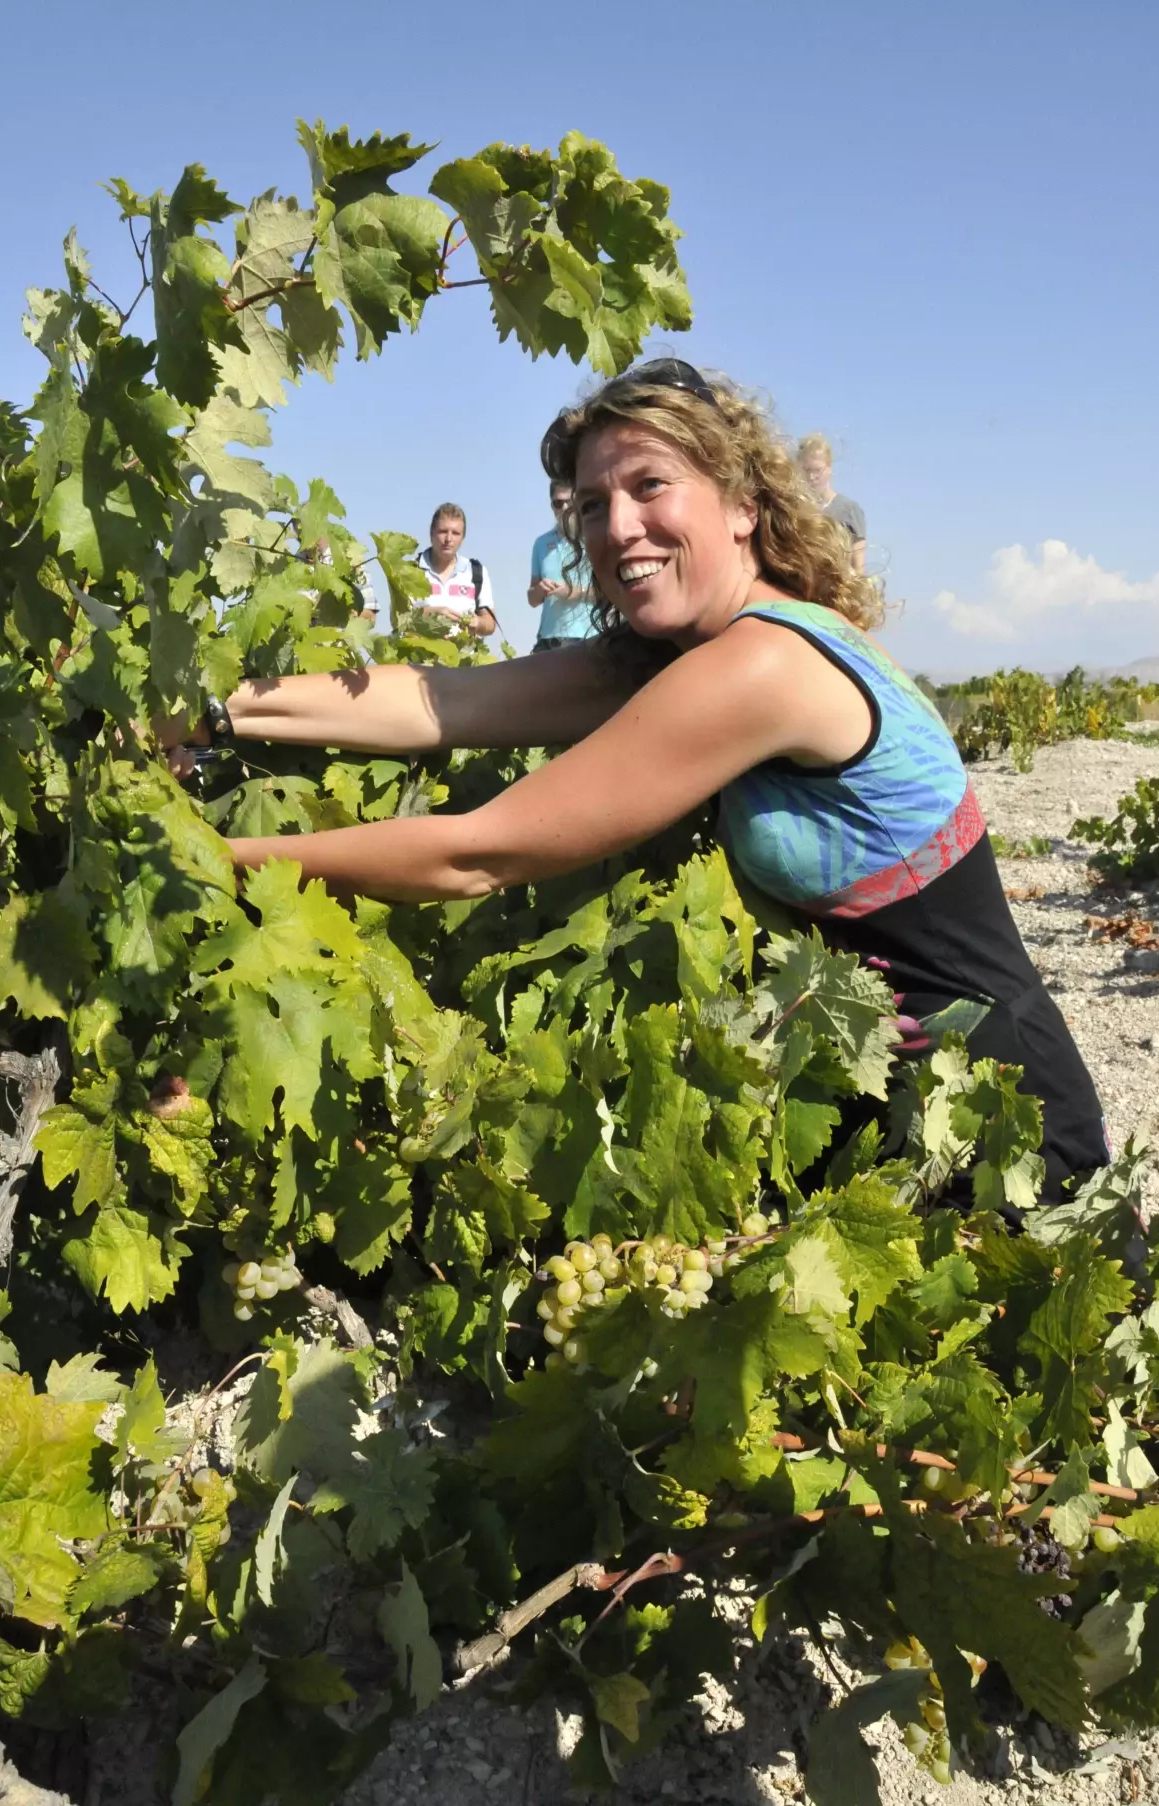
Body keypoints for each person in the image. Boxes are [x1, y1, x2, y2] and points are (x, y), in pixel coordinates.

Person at [168, 359, 1108, 1204]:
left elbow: (476, 852)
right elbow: (441, 702)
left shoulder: (761, 667)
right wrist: (213, 711)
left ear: (741, 502)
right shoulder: (683, 652)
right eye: (591, 504)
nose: (619, 526)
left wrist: (215, 861)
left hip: (1001, 1122)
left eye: (650, 486)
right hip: (893, 1107)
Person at [528, 481, 597, 651]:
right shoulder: (541, 543)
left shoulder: (595, 538)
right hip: (547, 639)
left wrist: (573, 592)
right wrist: (539, 590)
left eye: (570, 502)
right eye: (558, 503)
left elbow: (611, 593)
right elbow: (532, 599)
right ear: (552, 506)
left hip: (588, 638)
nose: (564, 508)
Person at [413, 504, 497, 637]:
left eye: (456, 533)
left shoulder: (477, 572)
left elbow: (490, 624)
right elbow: (397, 620)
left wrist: (478, 622)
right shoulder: (411, 570)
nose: (448, 539)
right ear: (431, 533)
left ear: (462, 538)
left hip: (464, 656)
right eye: (443, 531)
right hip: (420, 656)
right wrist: (431, 614)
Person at [797, 434, 867, 575]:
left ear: (829, 468)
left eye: (817, 470)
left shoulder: (849, 509)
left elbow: (859, 568)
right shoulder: (797, 510)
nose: (811, 477)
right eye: (807, 470)